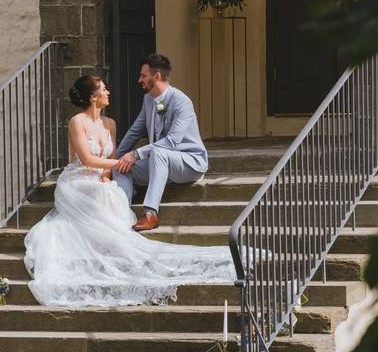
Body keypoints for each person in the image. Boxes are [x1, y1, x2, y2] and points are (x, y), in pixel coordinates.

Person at [23, 75, 233, 307]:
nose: (108, 92)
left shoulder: (110, 123)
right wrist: (124, 162)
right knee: (103, 192)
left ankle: (115, 236)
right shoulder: (77, 122)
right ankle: (106, 241)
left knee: (110, 190)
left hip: (100, 174)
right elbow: (86, 159)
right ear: (94, 97)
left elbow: (111, 158)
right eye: (104, 89)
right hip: (77, 179)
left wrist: (109, 171)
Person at [113, 54, 208, 231]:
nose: (139, 79)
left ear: (156, 76)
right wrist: (116, 158)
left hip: (189, 163)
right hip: (159, 162)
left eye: (143, 75)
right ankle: (122, 212)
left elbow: (172, 142)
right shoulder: (148, 99)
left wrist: (136, 154)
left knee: (159, 152)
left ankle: (150, 214)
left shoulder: (181, 101)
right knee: (119, 166)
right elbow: (135, 130)